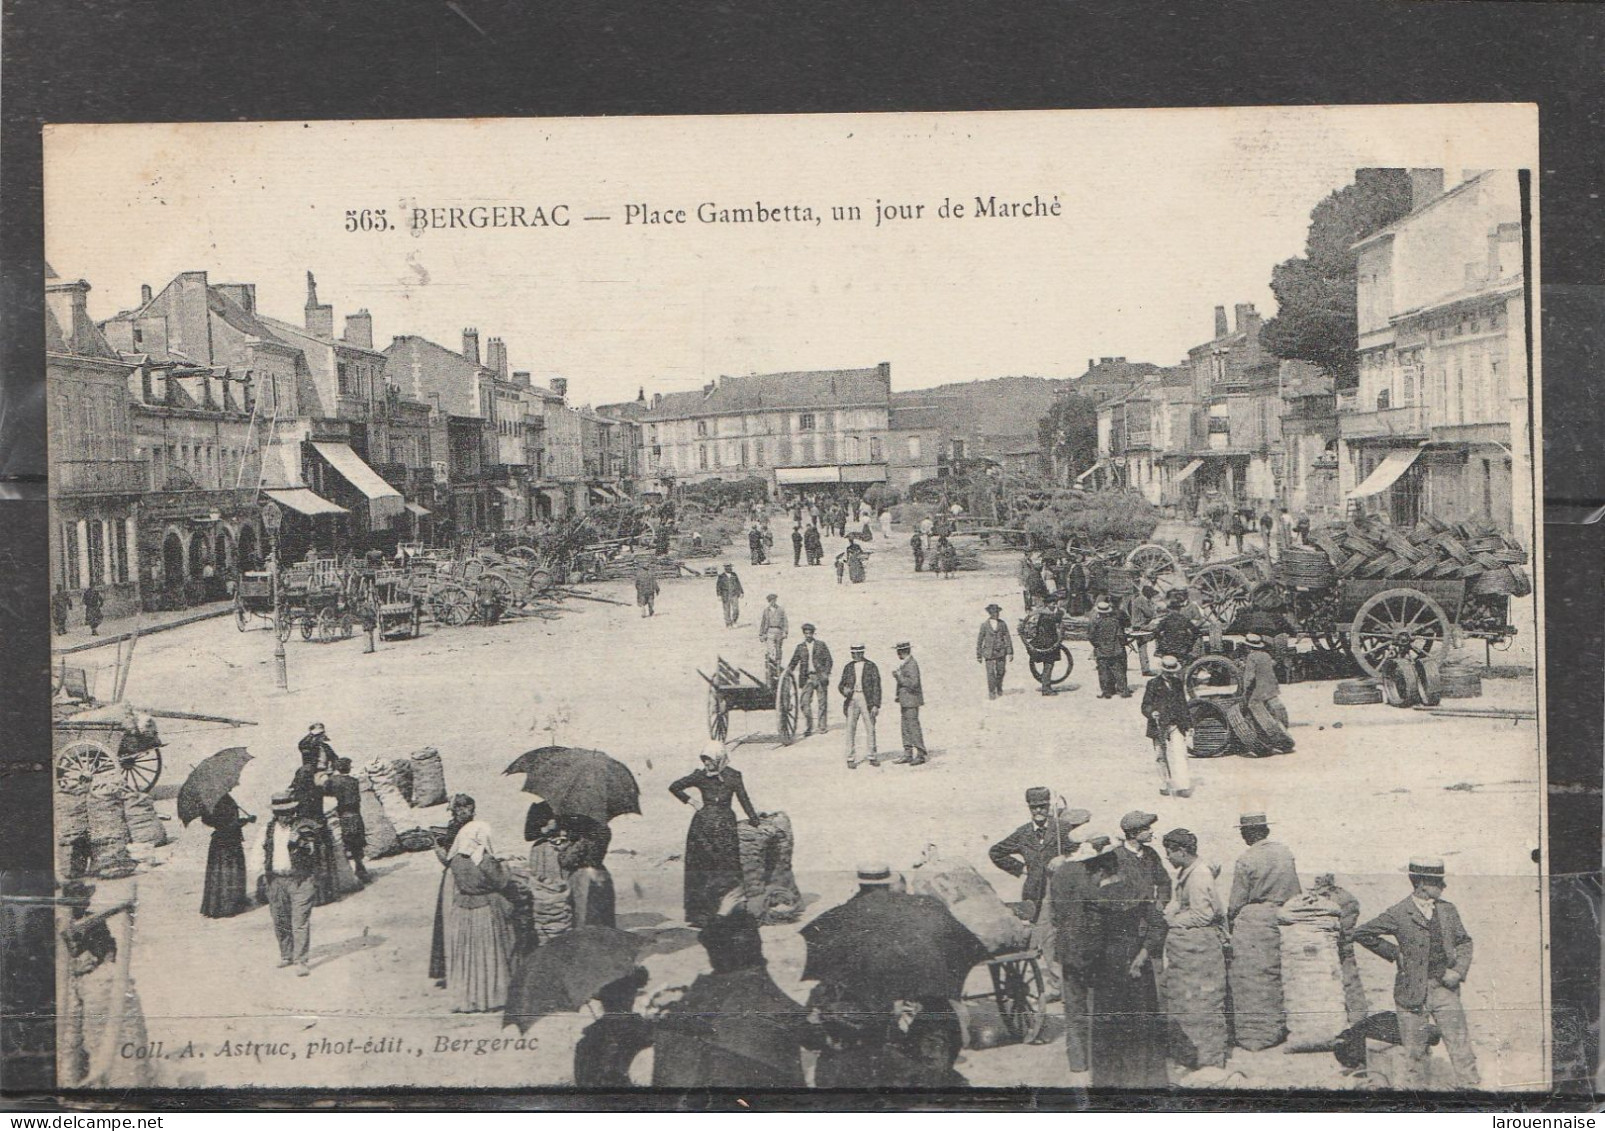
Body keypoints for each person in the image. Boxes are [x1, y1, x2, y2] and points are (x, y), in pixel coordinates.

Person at [807, 865, 969, 1089]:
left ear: (860, 883)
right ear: (891, 882)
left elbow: (812, 1033)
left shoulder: (840, 918)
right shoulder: (925, 910)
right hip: (920, 1066)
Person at [652, 894, 809, 1088]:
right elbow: (808, 1029)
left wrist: (720, 914)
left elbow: (707, 937)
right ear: (757, 950)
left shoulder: (696, 998)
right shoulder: (765, 991)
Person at [1051, 830, 1169, 1087]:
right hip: (1114, 961)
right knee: (1126, 1019)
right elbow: (1154, 922)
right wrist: (1140, 954)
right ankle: (1136, 1075)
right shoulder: (1119, 888)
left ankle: (1088, 1071)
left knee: (1087, 1015)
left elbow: (1061, 917)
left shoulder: (1066, 877)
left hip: (1087, 959)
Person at [1354, 858, 1479, 1090]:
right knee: (1414, 1051)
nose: (1444, 886)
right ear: (1422, 884)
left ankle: (1471, 1092)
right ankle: (1417, 1098)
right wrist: (1394, 953)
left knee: (1460, 1045)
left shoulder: (1448, 910)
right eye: (1439, 882)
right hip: (1410, 993)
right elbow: (1362, 933)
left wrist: (1458, 971)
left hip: (1445, 989)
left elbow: (1464, 942)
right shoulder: (1399, 912)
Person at [1227, 810, 1302, 1051]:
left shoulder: (1246, 859)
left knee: (1254, 976)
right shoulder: (1285, 853)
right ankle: (1282, 1028)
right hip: (1285, 917)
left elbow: (1236, 901)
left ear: (1248, 834)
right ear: (1266, 830)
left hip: (1256, 921)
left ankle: (1257, 1035)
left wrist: (1231, 923)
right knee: (1281, 974)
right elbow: (1296, 891)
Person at [669, 741, 759, 927]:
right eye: (704, 760)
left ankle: (729, 911)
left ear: (719, 759)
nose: (706, 764)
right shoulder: (700, 776)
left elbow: (743, 798)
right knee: (702, 868)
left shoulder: (734, 776)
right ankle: (702, 915)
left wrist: (753, 818)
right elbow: (674, 786)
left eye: (709, 760)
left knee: (727, 867)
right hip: (702, 828)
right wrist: (692, 801)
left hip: (726, 827)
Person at [1160, 827, 1229, 1071]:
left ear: (1181, 850)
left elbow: (1202, 915)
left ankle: (1207, 1056)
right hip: (1192, 950)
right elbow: (1179, 903)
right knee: (1187, 1001)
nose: (1167, 856)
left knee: (1202, 1002)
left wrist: (1172, 921)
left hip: (1200, 948)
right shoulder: (1188, 872)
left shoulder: (1199, 875)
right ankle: (1191, 1053)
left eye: (1169, 851)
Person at [444, 819, 515, 1013]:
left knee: (467, 957)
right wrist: (506, 866)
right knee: (489, 955)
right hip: (484, 910)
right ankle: (491, 997)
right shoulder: (484, 859)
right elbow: (502, 882)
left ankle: (468, 998)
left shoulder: (456, 860)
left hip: (462, 910)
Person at [989, 788, 1087, 921]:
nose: (1038, 811)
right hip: (1033, 893)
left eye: (1042, 806)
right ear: (1029, 808)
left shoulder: (1062, 828)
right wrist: (1021, 868)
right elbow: (996, 852)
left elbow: (1082, 851)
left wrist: (1064, 858)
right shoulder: (1023, 833)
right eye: (1034, 807)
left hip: (1060, 890)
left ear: (1048, 806)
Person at [262, 791, 318, 976]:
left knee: (299, 922)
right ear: (274, 813)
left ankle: (301, 960)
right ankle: (287, 954)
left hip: (300, 880)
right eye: (279, 812)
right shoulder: (270, 828)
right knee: (280, 920)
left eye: (287, 812)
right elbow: (263, 852)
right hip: (276, 879)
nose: (284, 816)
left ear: (293, 810)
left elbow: (313, 848)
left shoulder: (303, 826)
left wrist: (300, 842)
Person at [573, 968, 653, 1088]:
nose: (620, 999)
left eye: (625, 993)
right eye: (612, 995)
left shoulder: (645, 1033)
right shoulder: (588, 1042)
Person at [430, 794, 478, 985]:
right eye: (465, 808)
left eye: (470, 809)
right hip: (459, 878)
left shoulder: (463, 827)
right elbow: (448, 858)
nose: (469, 812)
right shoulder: (459, 829)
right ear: (457, 810)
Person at [1312, 873, 1370, 1023]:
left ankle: (1356, 1016)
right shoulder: (1345, 897)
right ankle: (1356, 1015)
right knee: (1349, 979)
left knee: (1347, 978)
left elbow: (1344, 928)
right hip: (1338, 945)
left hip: (1341, 946)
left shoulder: (1341, 899)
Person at [1140, 656, 1193, 797]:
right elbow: (1145, 705)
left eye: (1172, 672)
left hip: (1176, 723)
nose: (1170, 674)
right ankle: (1164, 783)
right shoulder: (1152, 684)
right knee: (1160, 755)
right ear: (1162, 670)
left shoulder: (1177, 683)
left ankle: (1182, 785)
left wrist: (1189, 725)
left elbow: (1183, 705)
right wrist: (1152, 712)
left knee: (1180, 754)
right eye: (1168, 672)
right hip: (1159, 725)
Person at [199, 791, 254, 918]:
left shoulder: (210, 799)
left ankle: (216, 906)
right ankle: (228, 906)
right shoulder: (223, 799)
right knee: (230, 872)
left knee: (218, 873)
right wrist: (246, 820)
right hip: (229, 842)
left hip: (219, 841)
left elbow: (213, 821)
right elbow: (229, 824)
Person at [556, 815, 616, 928]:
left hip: (583, 876)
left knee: (583, 915)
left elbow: (567, 861)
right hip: (600, 873)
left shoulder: (584, 835)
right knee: (603, 916)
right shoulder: (604, 829)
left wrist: (564, 848)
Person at [324, 757, 369, 884]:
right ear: (348, 768)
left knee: (341, 845)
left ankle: (346, 874)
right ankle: (360, 869)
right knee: (357, 845)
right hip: (354, 815)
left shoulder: (331, 781)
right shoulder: (354, 781)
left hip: (340, 816)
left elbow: (326, 796)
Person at [838, 643, 881, 769]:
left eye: (858, 653)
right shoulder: (848, 667)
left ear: (862, 653)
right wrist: (844, 690)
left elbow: (877, 687)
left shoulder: (871, 666)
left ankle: (872, 756)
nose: (855, 655)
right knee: (851, 728)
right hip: (852, 699)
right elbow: (841, 684)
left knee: (870, 727)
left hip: (867, 699)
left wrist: (875, 705)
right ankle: (850, 758)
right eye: (853, 653)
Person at [787, 623, 833, 736]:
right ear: (804, 634)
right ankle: (809, 726)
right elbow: (793, 662)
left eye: (810, 633)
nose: (808, 635)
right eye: (806, 633)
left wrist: (825, 673)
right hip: (806, 678)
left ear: (813, 633)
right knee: (804, 703)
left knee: (822, 702)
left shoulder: (821, 645)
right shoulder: (800, 647)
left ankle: (822, 726)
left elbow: (829, 660)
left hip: (820, 677)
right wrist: (787, 672)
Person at [1118, 810, 1173, 907]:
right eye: (1146, 828)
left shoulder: (1151, 853)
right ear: (1132, 834)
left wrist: (1161, 902)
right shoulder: (1116, 856)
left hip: (1148, 912)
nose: (1151, 831)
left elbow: (1164, 881)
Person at [1239, 633, 1291, 734]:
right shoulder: (1266, 655)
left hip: (1260, 689)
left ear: (1247, 647)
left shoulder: (1251, 657)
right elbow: (1270, 665)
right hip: (1272, 686)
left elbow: (1249, 677)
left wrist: (1244, 690)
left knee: (1252, 705)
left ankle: (1262, 730)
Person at [1018, 596, 1065, 696]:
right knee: (1048, 664)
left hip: (1050, 641)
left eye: (1055, 602)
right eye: (1052, 602)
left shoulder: (1049, 613)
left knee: (1048, 664)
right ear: (1047, 604)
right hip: (1045, 642)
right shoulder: (1042, 614)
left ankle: (1046, 686)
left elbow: (1060, 626)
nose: (1054, 604)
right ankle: (1046, 688)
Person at [890, 642, 926, 766]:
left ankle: (920, 754)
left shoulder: (911, 664)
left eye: (898, 651)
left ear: (901, 652)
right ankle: (908, 754)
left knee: (913, 727)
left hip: (911, 701)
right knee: (905, 728)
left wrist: (899, 677)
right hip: (906, 701)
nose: (897, 654)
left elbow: (914, 683)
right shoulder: (906, 663)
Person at [1088, 596, 1131, 699]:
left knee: (1103, 672)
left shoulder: (1095, 623)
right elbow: (1120, 635)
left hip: (1101, 651)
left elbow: (1090, 636)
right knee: (1118, 670)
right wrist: (1124, 643)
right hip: (1116, 650)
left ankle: (1106, 691)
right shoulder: (1115, 622)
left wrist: (1097, 645)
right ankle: (1123, 691)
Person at [976, 603, 1014, 700]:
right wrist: (979, 655)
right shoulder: (984, 625)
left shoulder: (1002, 624)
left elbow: (1007, 637)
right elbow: (980, 640)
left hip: (1001, 651)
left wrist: (1010, 652)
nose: (996, 614)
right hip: (988, 652)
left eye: (997, 612)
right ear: (990, 613)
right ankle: (992, 692)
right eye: (994, 612)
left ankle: (999, 686)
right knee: (990, 673)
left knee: (1001, 671)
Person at [1152, 591, 1200, 665]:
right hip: (1182, 649)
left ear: (1170, 610)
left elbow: (1156, 632)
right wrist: (1190, 644)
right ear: (1179, 609)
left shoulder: (1166, 620)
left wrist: (1161, 642)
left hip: (1167, 648)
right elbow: (1196, 632)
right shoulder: (1184, 620)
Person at [1124, 585, 1160, 676]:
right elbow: (1150, 614)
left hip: (1140, 624)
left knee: (1142, 647)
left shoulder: (1142, 599)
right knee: (1160, 629)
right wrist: (1153, 607)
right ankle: (1158, 650)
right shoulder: (1141, 600)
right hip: (1140, 625)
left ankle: (1145, 668)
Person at [758, 593, 788, 678]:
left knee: (778, 650)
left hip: (778, 631)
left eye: (774, 600)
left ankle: (778, 668)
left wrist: (785, 632)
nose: (773, 602)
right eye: (771, 601)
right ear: (769, 601)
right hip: (769, 631)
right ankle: (771, 670)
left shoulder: (781, 610)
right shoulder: (766, 611)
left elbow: (785, 621)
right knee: (770, 651)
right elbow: (763, 623)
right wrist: (761, 634)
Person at [715, 564, 743, 628]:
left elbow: (738, 583)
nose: (729, 568)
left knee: (736, 609)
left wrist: (741, 592)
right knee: (726, 610)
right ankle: (728, 623)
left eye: (730, 567)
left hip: (734, 594)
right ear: (725, 568)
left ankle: (734, 621)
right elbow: (718, 586)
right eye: (727, 567)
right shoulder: (721, 576)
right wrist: (719, 595)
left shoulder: (734, 575)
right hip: (725, 595)